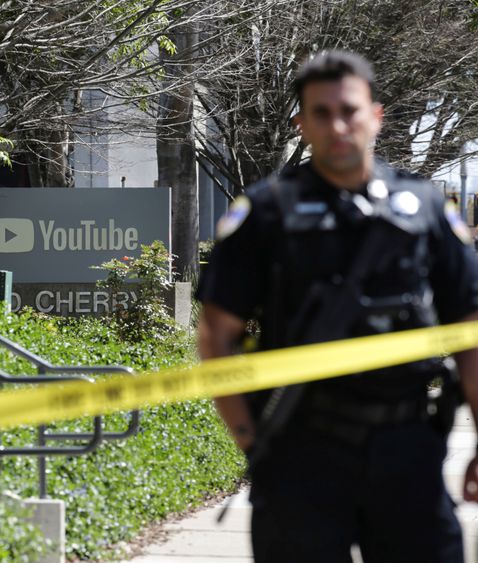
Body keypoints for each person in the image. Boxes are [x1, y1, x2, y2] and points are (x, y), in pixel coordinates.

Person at [197, 50, 478, 563]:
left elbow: (471, 329)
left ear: (376, 115)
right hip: (301, 452)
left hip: (408, 448)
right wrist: (251, 444)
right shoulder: (265, 212)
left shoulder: (428, 208)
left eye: (349, 110)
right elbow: (216, 334)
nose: (338, 125)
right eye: (321, 114)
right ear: (301, 124)